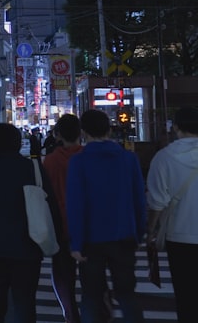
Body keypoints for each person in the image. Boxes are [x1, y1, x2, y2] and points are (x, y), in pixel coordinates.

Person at [0, 122, 58, 323]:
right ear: (18, 142)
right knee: (25, 299)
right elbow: (51, 206)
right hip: (30, 243)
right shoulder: (33, 168)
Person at [67, 109, 146, 323]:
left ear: (83, 132)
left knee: (91, 296)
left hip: (91, 239)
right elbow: (139, 199)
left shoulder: (78, 162)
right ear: (110, 129)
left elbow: (75, 204)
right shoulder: (128, 159)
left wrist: (76, 242)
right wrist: (139, 233)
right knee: (127, 294)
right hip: (124, 235)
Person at [145, 106, 198, 322]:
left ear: (175, 127)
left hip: (179, 235)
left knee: (186, 294)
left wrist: (151, 230)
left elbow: (157, 202)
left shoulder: (164, 157)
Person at [42, 114, 85, 323]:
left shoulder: (50, 161)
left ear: (57, 135)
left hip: (59, 223)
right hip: (86, 224)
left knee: (62, 273)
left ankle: (70, 313)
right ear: (81, 133)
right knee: (89, 273)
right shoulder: (86, 156)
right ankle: (94, 310)